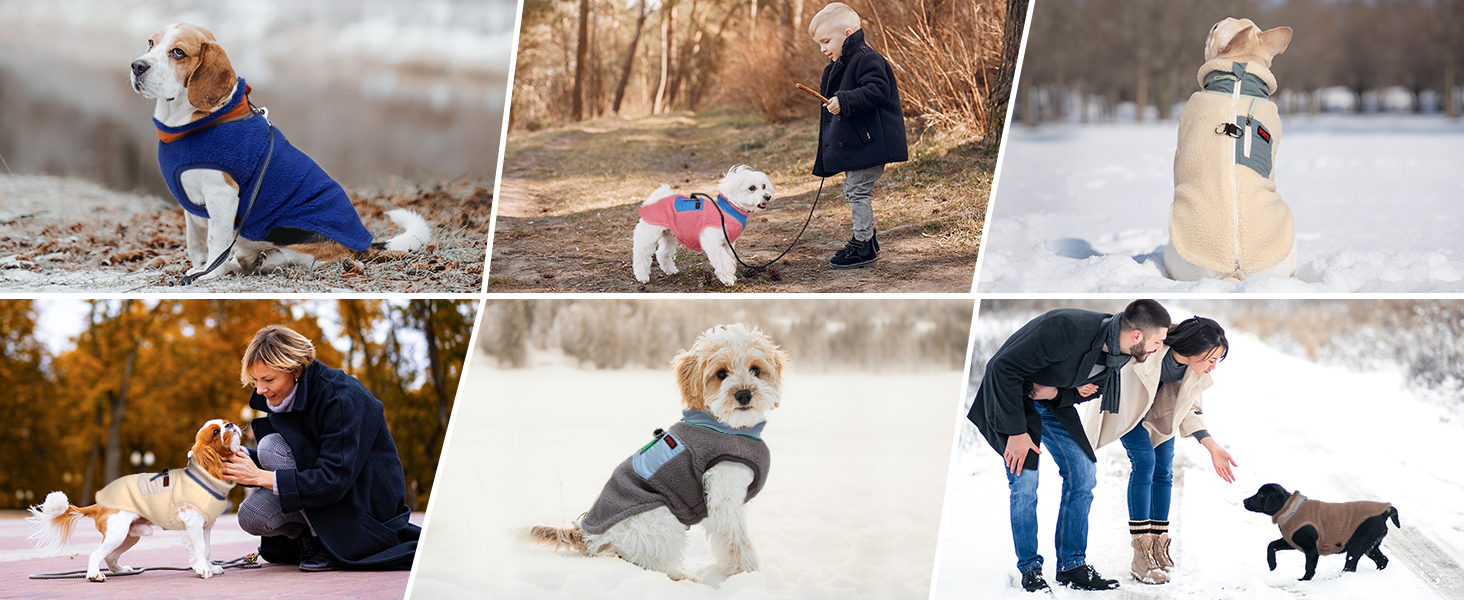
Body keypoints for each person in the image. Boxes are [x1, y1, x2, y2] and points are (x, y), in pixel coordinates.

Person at [968, 300, 1172, 593]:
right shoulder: (1068, 328)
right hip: (1011, 400)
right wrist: (1015, 433)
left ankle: (1072, 566)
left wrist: (1059, 391)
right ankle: (1030, 570)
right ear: (1137, 335)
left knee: (1084, 472)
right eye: (1157, 341)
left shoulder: (1122, 355)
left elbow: (1089, 390)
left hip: (1051, 403)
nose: (1158, 347)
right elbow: (1002, 368)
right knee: (1024, 483)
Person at [222, 325, 419, 571]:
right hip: (324, 495)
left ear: (294, 370)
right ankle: (313, 538)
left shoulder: (340, 396)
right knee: (250, 514)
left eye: (268, 380)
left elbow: (333, 477)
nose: (260, 390)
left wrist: (259, 476)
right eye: (255, 381)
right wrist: (236, 460)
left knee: (270, 446)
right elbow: (301, 458)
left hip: (365, 503)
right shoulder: (286, 396)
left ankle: (331, 545)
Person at [1083, 317, 1238, 585]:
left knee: (1164, 470)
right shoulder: (1149, 348)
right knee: (1145, 462)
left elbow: (1190, 410)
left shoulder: (1195, 371)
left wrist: (1212, 446)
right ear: (1193, 348)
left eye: (1217, 361)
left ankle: (1157, 543)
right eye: (1211, 359)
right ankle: (1140, 552)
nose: (1213, 367)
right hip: (1127, 411)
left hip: (1160, 416)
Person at [807, 2, 909, 269]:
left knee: (857, 190)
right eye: (819, 44)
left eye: (826, 41)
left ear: (848, 33)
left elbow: (878, 90)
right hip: (860, 144)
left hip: (871, 143)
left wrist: (844, 99)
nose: (823, 49)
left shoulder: (867, 59)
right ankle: (869, 241)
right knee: (853, 190)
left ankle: (863, 244)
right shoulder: (840, 64)